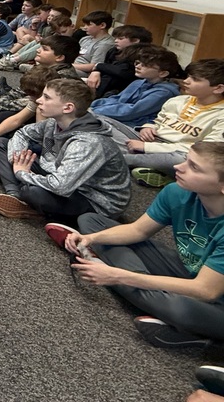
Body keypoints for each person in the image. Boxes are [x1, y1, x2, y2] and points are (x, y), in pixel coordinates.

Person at [47, 141, 224, 350]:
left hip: (215, 299)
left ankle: (204, 337)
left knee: (180, 308)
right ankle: (162, 310)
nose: (178, 167)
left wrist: (118, 276)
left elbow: (205, 290)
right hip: (193, 272)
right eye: (186, 160)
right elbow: (138, 231)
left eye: (194, 167)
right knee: (91, 222)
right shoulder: (176, 192)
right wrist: (91, 239)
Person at [0, 79, 131, 221]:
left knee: (33, 193)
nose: (39, 100)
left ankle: (14, 182)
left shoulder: (88, 143)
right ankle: (14, 193)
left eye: (46, 97)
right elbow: (23, 133)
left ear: (67, 108)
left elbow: (60, 186)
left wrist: (21, 173)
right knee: (1, 144)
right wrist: (17, 161)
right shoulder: (54, 122)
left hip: (92, 199)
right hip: (60, 175)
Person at [123, 59, 224, 187]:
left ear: (218, 88)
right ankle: (154, 169)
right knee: (104, 123)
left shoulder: (221, 115)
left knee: (185, 160)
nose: (186, 81)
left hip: (178, 152)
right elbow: (158, 121)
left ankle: (122, 159)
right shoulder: (177, 100)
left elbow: (206, 151)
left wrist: (147, 147)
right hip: (152, 140)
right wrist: (147, 127)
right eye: (188, 76)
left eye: (195, 79)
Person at [89, 46, 182, 129]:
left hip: (133, 125)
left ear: (163, 73)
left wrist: (95, 110)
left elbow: (131, 112)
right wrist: (92, 106)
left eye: (145, 65)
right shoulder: (138, 82)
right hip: (112, 116)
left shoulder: (163, 93)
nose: (138, 66)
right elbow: (116, 99)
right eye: (138, 63)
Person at [86, 24, 152, 97]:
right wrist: (96, 71)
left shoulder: (142, 55)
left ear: (135, 40)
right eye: (115, 38)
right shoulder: (114, 51)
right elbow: (106, 66)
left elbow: (123, 72)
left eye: (120, 39)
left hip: (120, 91)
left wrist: (99, 66)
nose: (116, 41)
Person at [73, 10, 115, 75]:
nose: (85, 27)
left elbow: (94, 66)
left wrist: (69, 65)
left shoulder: (105, 44)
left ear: (102, 25)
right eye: (85, 24)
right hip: (74, 66)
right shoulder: (85, 39)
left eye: (88, 25)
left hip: (86, 73)